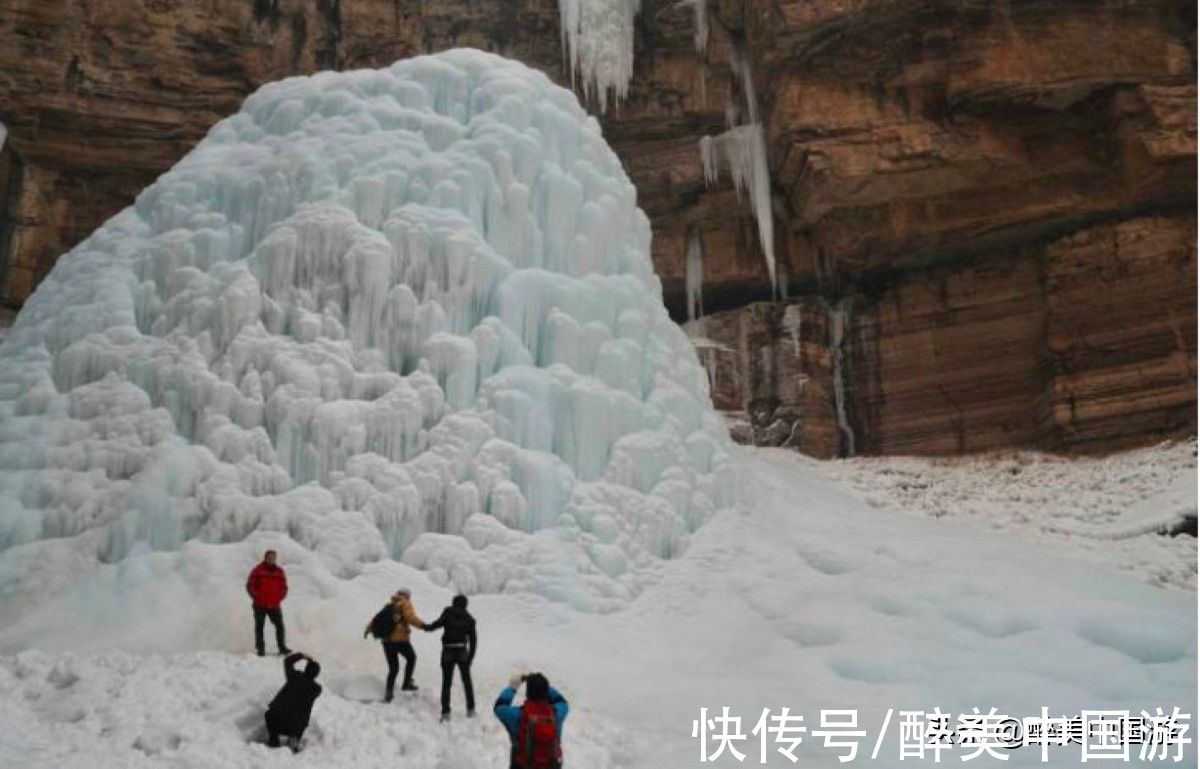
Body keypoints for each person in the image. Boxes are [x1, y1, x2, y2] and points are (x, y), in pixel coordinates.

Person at [363, 588, 427, 702]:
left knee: (393, 668)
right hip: (400, 640)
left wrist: (368, 629)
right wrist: (424, 626)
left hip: (386, 641)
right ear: (407, 595)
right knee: (411, 658)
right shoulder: (405, 603)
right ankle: (407, 683)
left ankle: (389, 693)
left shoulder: (390, 605)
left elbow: (376, 619)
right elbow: (410, 617)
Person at [494, 672, 569, 769]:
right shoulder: (557, 713)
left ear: (527, 694)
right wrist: (543, 686)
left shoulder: (517, 715)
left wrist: (513, 687)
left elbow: (499, 707)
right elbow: (561, 701)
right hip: (551, 765)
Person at [424, 593, 477, 722]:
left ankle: (446, 712)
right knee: (467, 681)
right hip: (462, 651)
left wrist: (426, 627)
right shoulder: (470, 619)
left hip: (448, 650)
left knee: (446, 682)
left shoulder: (448, 612)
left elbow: (437, 624)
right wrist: (470, 658)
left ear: (454, 602)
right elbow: (473, 641)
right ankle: (470, 709)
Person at [264, 652, 322, 751]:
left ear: (305, 669)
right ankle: (294, 740)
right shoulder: (317, 689)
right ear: (316, 675)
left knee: (269, 714)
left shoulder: (294, 677)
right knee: (300, 720)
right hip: (296, 727)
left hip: (280, 722)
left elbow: (287, 661)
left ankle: (274, 739)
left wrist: (302, 656)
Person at [246, 549, 290, 656]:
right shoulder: (258, 570)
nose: (271, 559)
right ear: (265, 558)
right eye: (269, 557)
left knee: (280, 626)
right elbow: (250, 585)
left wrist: (280, 597)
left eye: (273, 558)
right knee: (260, 626)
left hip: (274, 605)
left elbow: (284, 587)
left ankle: (282, 647)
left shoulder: (280, 571)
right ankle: (260, 649)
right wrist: (256, 596)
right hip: (260, 604)